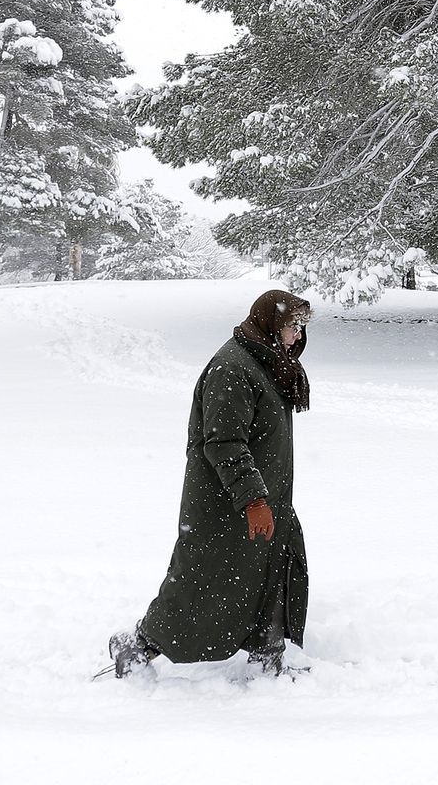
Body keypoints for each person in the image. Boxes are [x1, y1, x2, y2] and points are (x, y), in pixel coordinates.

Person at [108, 289, 314, 680]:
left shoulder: (266, 362)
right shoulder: (232, 369)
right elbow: (223, 442)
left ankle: (267, 653)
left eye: (301, 326)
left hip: (266, 498)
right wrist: (252, 498)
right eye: (292, 325)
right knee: (202, 581)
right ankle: (138, 645)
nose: (297, 335)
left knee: (274, 570)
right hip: (227, 503)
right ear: (270, 323)